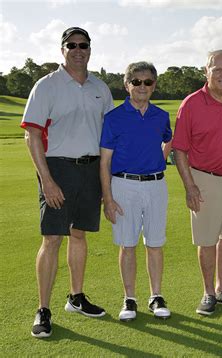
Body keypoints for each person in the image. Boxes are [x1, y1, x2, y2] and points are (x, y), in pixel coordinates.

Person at [22, 27, 114, 338]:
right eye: (71, 45)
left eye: (83, 45)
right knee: (52, 239)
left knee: (79, 235)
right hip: (57, 168)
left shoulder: (100, 88)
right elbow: (32, 134)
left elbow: (108, 140)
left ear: (90, 49)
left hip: (90, 170)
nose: (78, 50)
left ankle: (76, 297)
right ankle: (43, 308)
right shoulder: (46, 86)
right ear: (62, 50)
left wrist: (106, 183)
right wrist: (46, 180)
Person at [172, 50, 222, 316]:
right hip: (205, 180)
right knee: (207, 241)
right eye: (218, 69)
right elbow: (179, 149)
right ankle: (208, 292)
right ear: (206, 71)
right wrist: (189, 186)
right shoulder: (191, 104)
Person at [100, 62, 172, 322]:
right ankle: (129, 299)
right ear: (127, 85)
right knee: (127, 244)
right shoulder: (113, 118)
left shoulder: (161, 116)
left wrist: (160, 158)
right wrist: (107, 198)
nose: (142, 87)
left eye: (148, 82)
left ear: (154, 85)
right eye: (137, 82)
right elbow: (104, 162)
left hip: (155, 185)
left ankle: (156, 296)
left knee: (155, 244)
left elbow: (168, 138)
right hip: (123, 185)